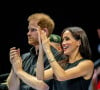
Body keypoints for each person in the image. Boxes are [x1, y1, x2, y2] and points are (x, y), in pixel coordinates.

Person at [7, 13, 66, 90]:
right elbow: (12, 88)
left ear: (44, 31)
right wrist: (14, 67)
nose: (28, 33)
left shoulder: (58, 57)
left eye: (33, 30)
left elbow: (43, 87)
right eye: (28, 30)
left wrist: (19, 71)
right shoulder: (24, 57)